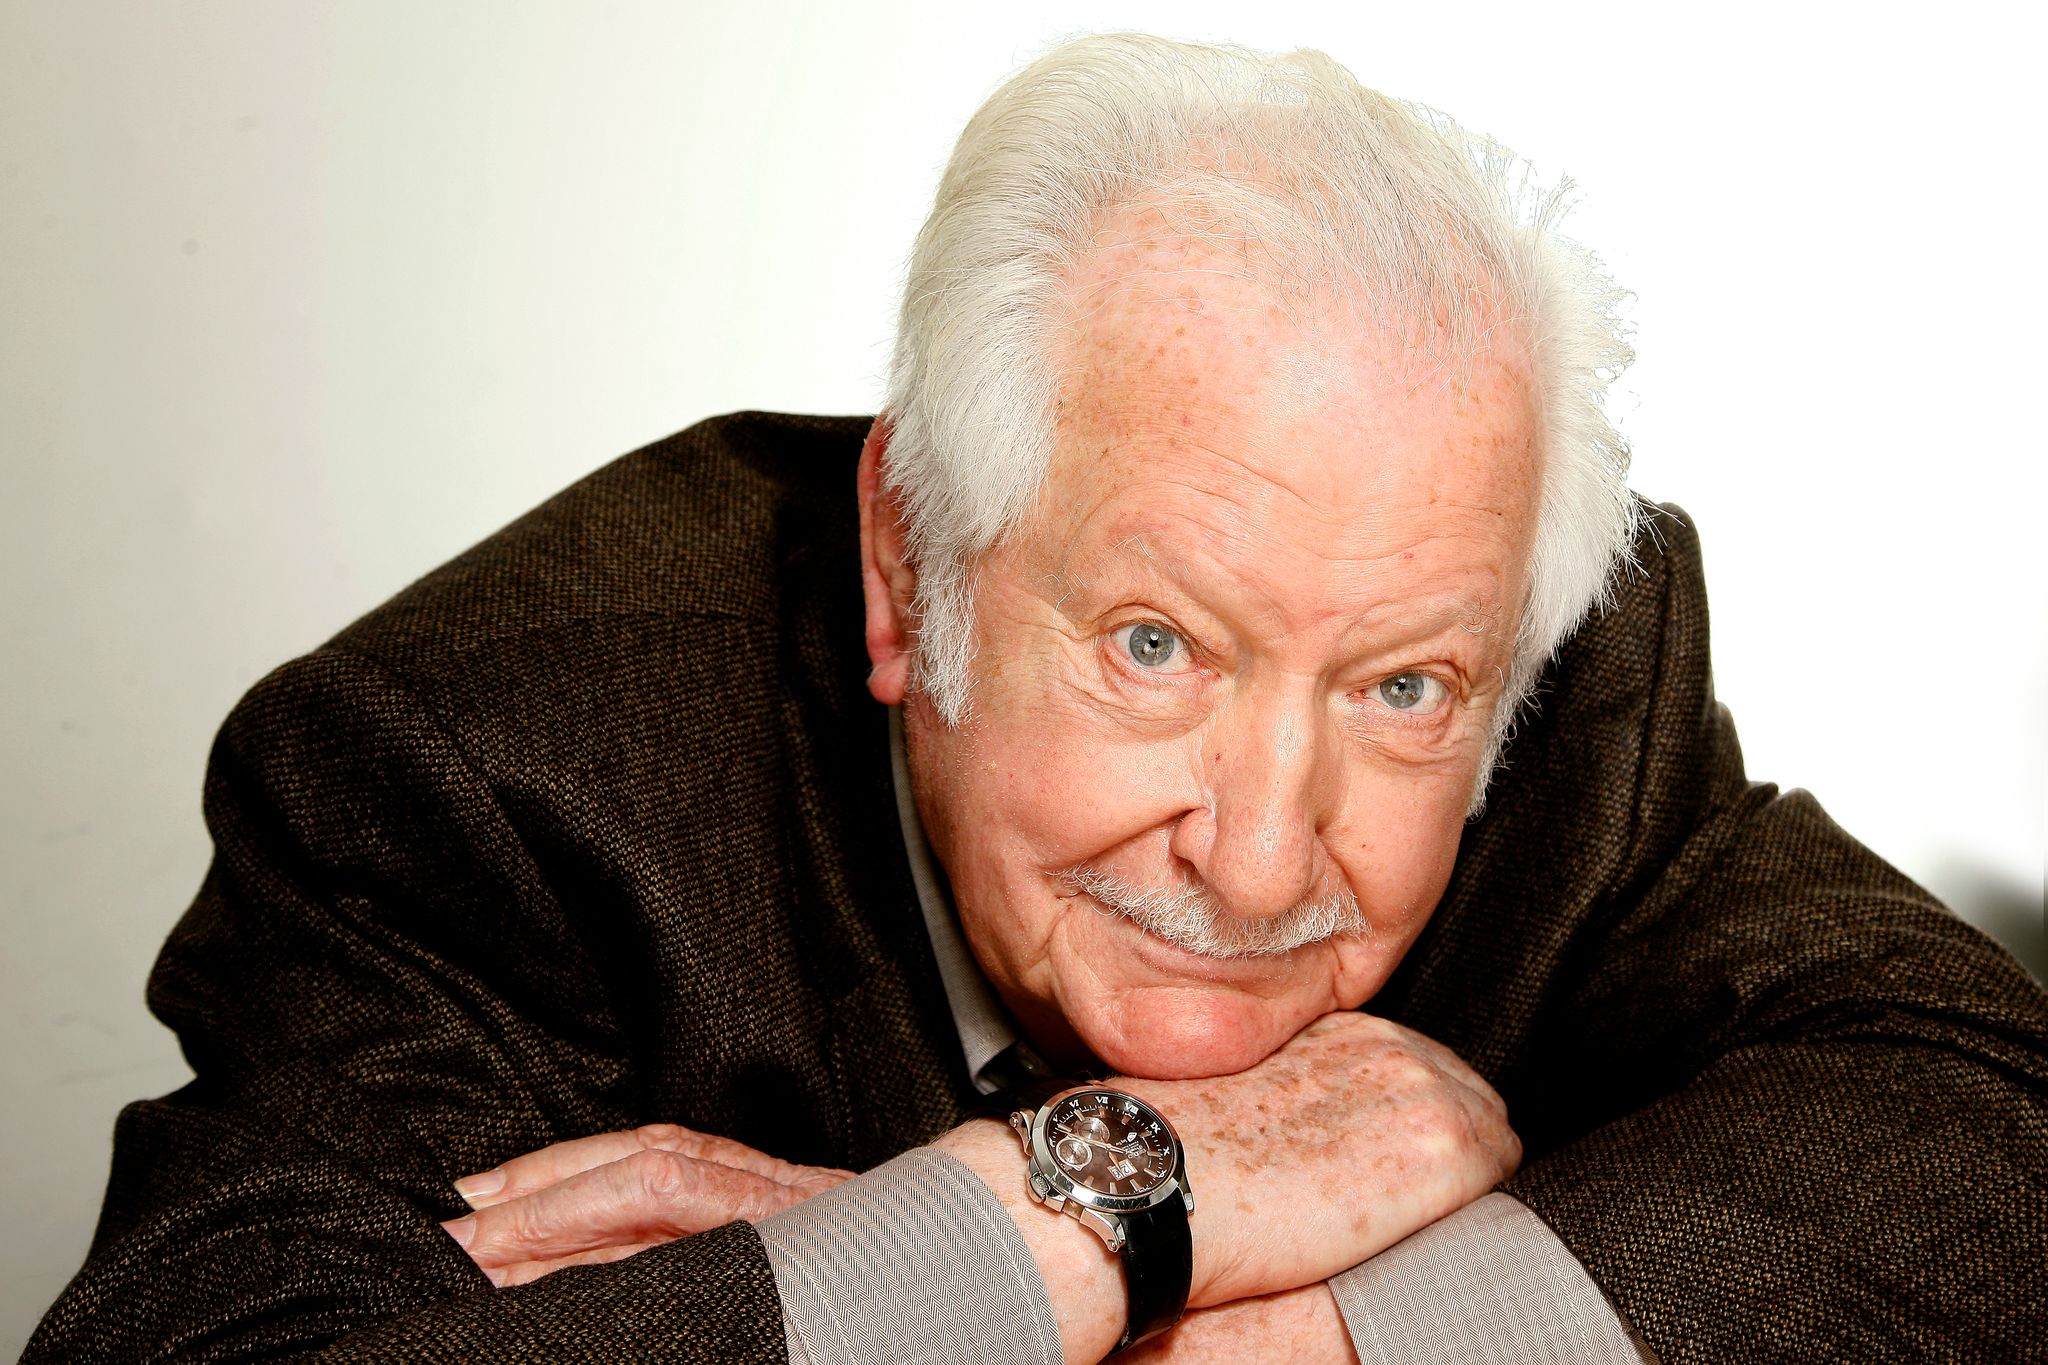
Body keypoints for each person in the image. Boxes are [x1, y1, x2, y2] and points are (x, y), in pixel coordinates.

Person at [26, 33, 2046, 1365]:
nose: (1262, 852)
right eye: (1157, 643)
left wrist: (1233, 1321)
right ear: (912, 567)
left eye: (1405, 682)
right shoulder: (488, 764)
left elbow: (1988, 1136)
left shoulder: (1564, 676)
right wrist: (1126, 1189)